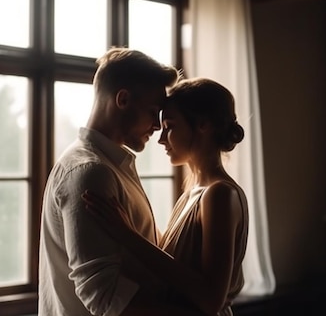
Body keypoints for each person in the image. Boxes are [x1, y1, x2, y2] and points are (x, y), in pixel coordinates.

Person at [38, 47, 203, 316]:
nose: (159, 126)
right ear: (123, 99)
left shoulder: (113, 166)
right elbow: (104, 299)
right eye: (153, 111)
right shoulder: (91, 172)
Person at [83, 77, 249, 316]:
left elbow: (211, 299)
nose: (161, 139)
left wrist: (128, 236)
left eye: (170, 126)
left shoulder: (219, 194)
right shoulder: (191, 193)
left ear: (202, 125)